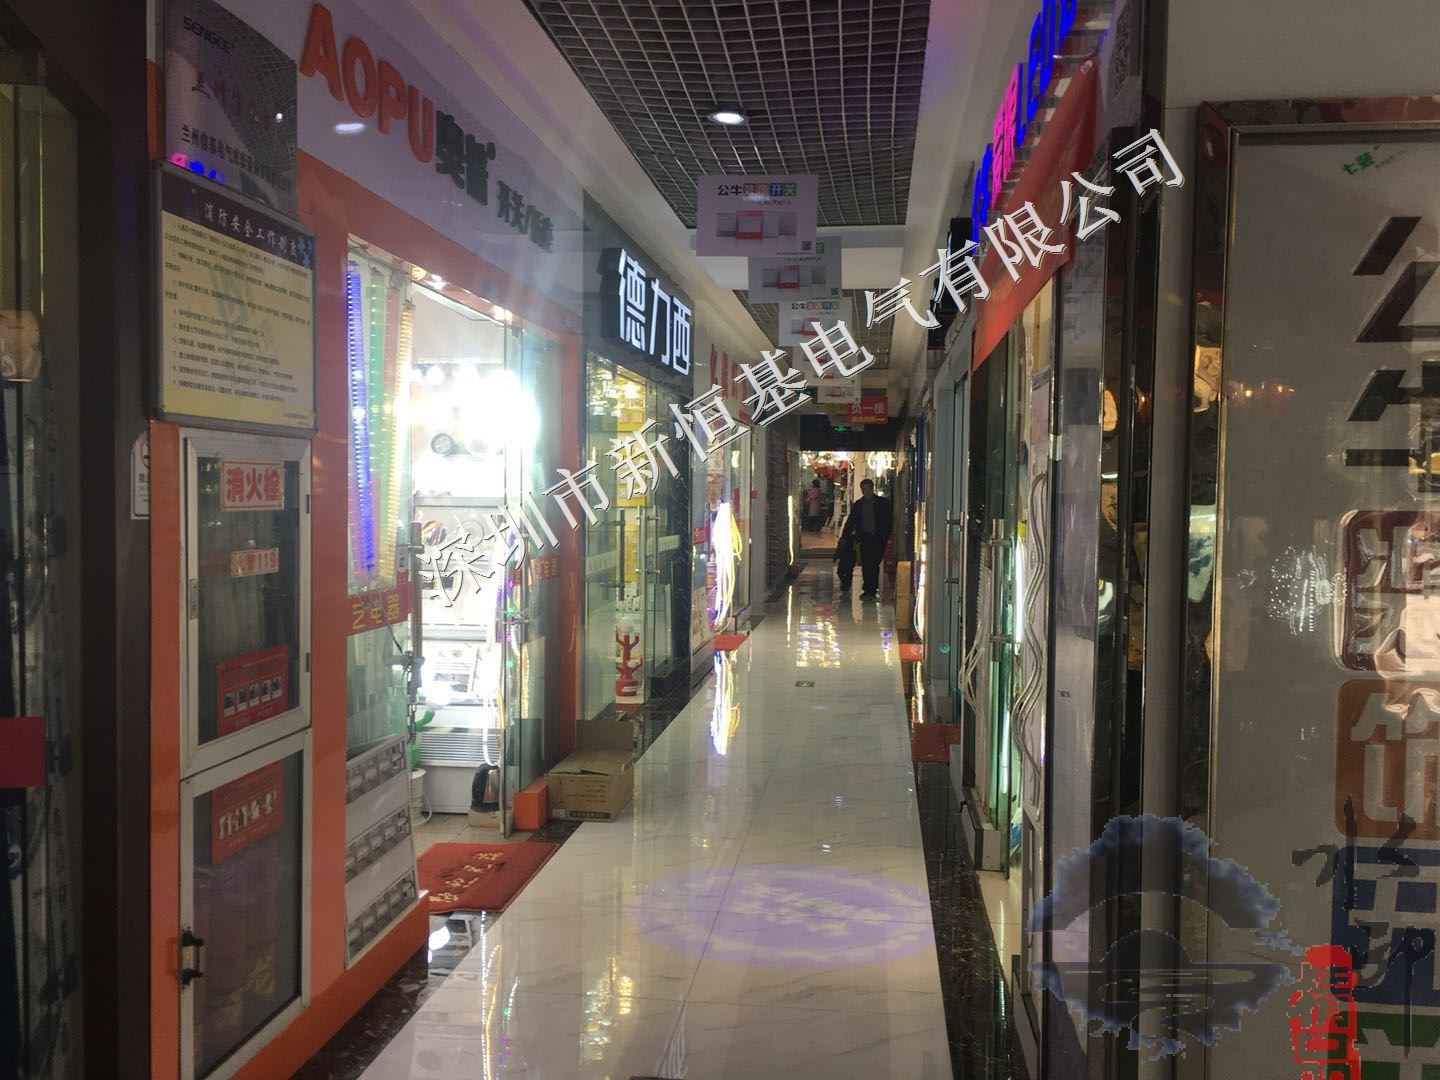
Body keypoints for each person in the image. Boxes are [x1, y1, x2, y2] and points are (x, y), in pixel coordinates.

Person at [838, 478, 892, 599]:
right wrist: (845, 537)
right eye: (864, 489)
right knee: (867, 564)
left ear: (872, 489)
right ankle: (869, 589)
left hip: (877, 539)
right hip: (864, 538)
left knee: (874, 563)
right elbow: (851, 522)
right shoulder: (858, 505)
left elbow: (888, 522)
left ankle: (871, 588)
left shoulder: (882, 503)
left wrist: (884, 537)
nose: (866, 492)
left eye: (868, 489)